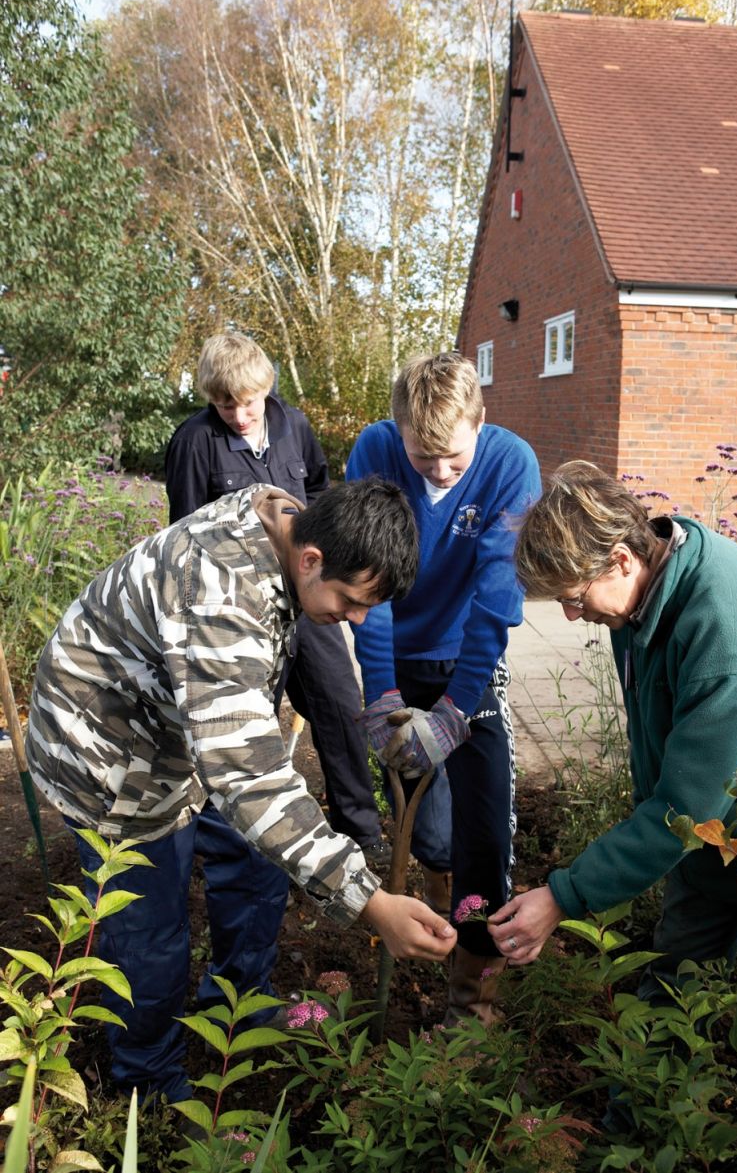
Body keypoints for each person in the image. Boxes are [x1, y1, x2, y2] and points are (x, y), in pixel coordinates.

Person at [26, 478, 455, 1104]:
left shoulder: (283, 516)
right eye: (350, 600)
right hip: (107, 753)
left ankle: (238, 1010)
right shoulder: (217, 591)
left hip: (181, 729)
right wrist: (369, 902)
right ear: (311, 560)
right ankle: (149, 1085)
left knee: (259, 868)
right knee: (153, 936)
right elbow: (247, 776)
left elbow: (235, 747)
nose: (357, 619)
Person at [488, 460, 737, 1006]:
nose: (570, 614)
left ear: (621, 559)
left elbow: (688, 807)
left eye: (574, 597)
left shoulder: (725, 636)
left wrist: (564, 896)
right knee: (676, 988)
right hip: (716, 828)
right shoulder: (641, 599)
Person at [346, 351, 541, 1025]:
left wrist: (457, 711)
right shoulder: (373, 450)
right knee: (424, 825)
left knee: (483, 830)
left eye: (454, 458)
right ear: (397, 427)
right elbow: (369, 586)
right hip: (395, 656)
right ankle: (430, 930)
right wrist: (381, 697)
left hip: (469, 658)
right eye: (424, 456)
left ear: (480, 423)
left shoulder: (509, 464)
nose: (439, 472)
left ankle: (472, 1002)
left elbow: (495, 597)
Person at [165, 331, 387, 865]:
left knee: (339, 705)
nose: (239, 416)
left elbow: (316, 490)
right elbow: (184, 537)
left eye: (247, 402)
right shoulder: (195, 442)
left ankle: (360, 833)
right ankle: (234, 841)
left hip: (308, 597)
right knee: (242, 724)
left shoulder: (293, 425)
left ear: (266, 389)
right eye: (224, 405)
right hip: (240, 613)